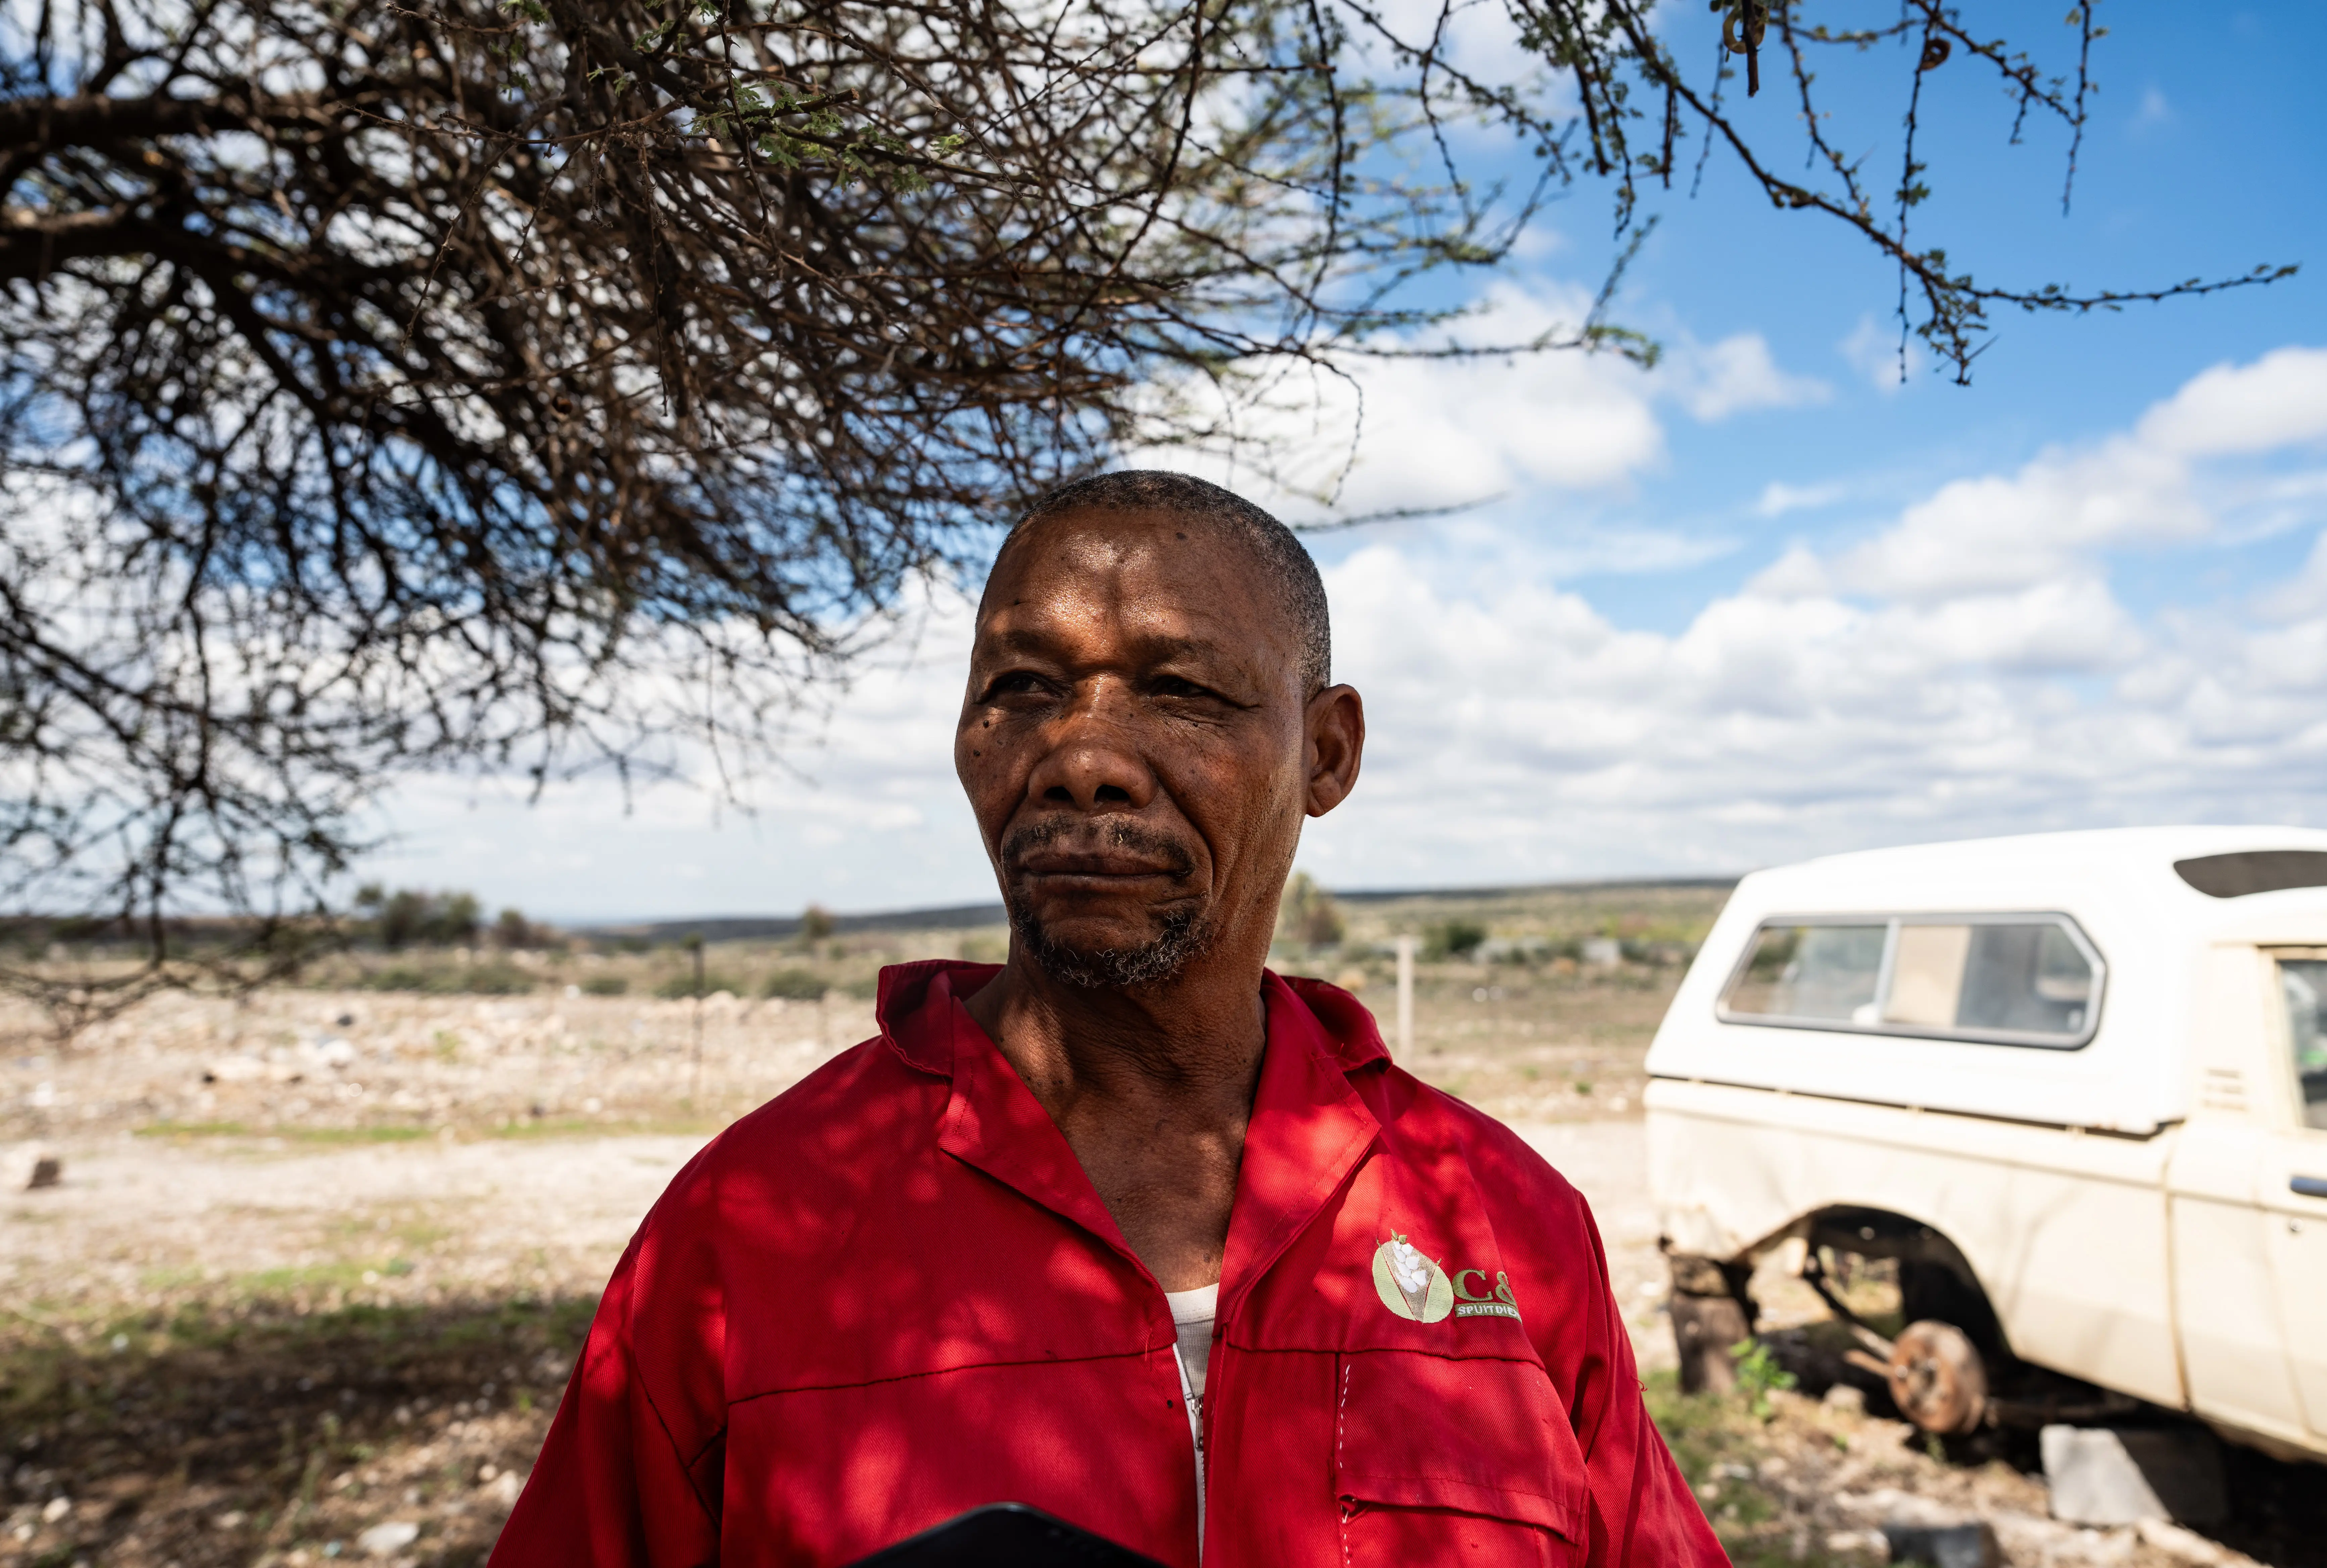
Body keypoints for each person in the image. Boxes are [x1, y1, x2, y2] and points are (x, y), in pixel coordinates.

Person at [487, 472, 1731, 1568]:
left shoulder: (1506, 1227)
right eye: (1023, 686)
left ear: (1329, 754)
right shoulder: (748, 1230)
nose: (1084, 755)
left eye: (1182, 690)